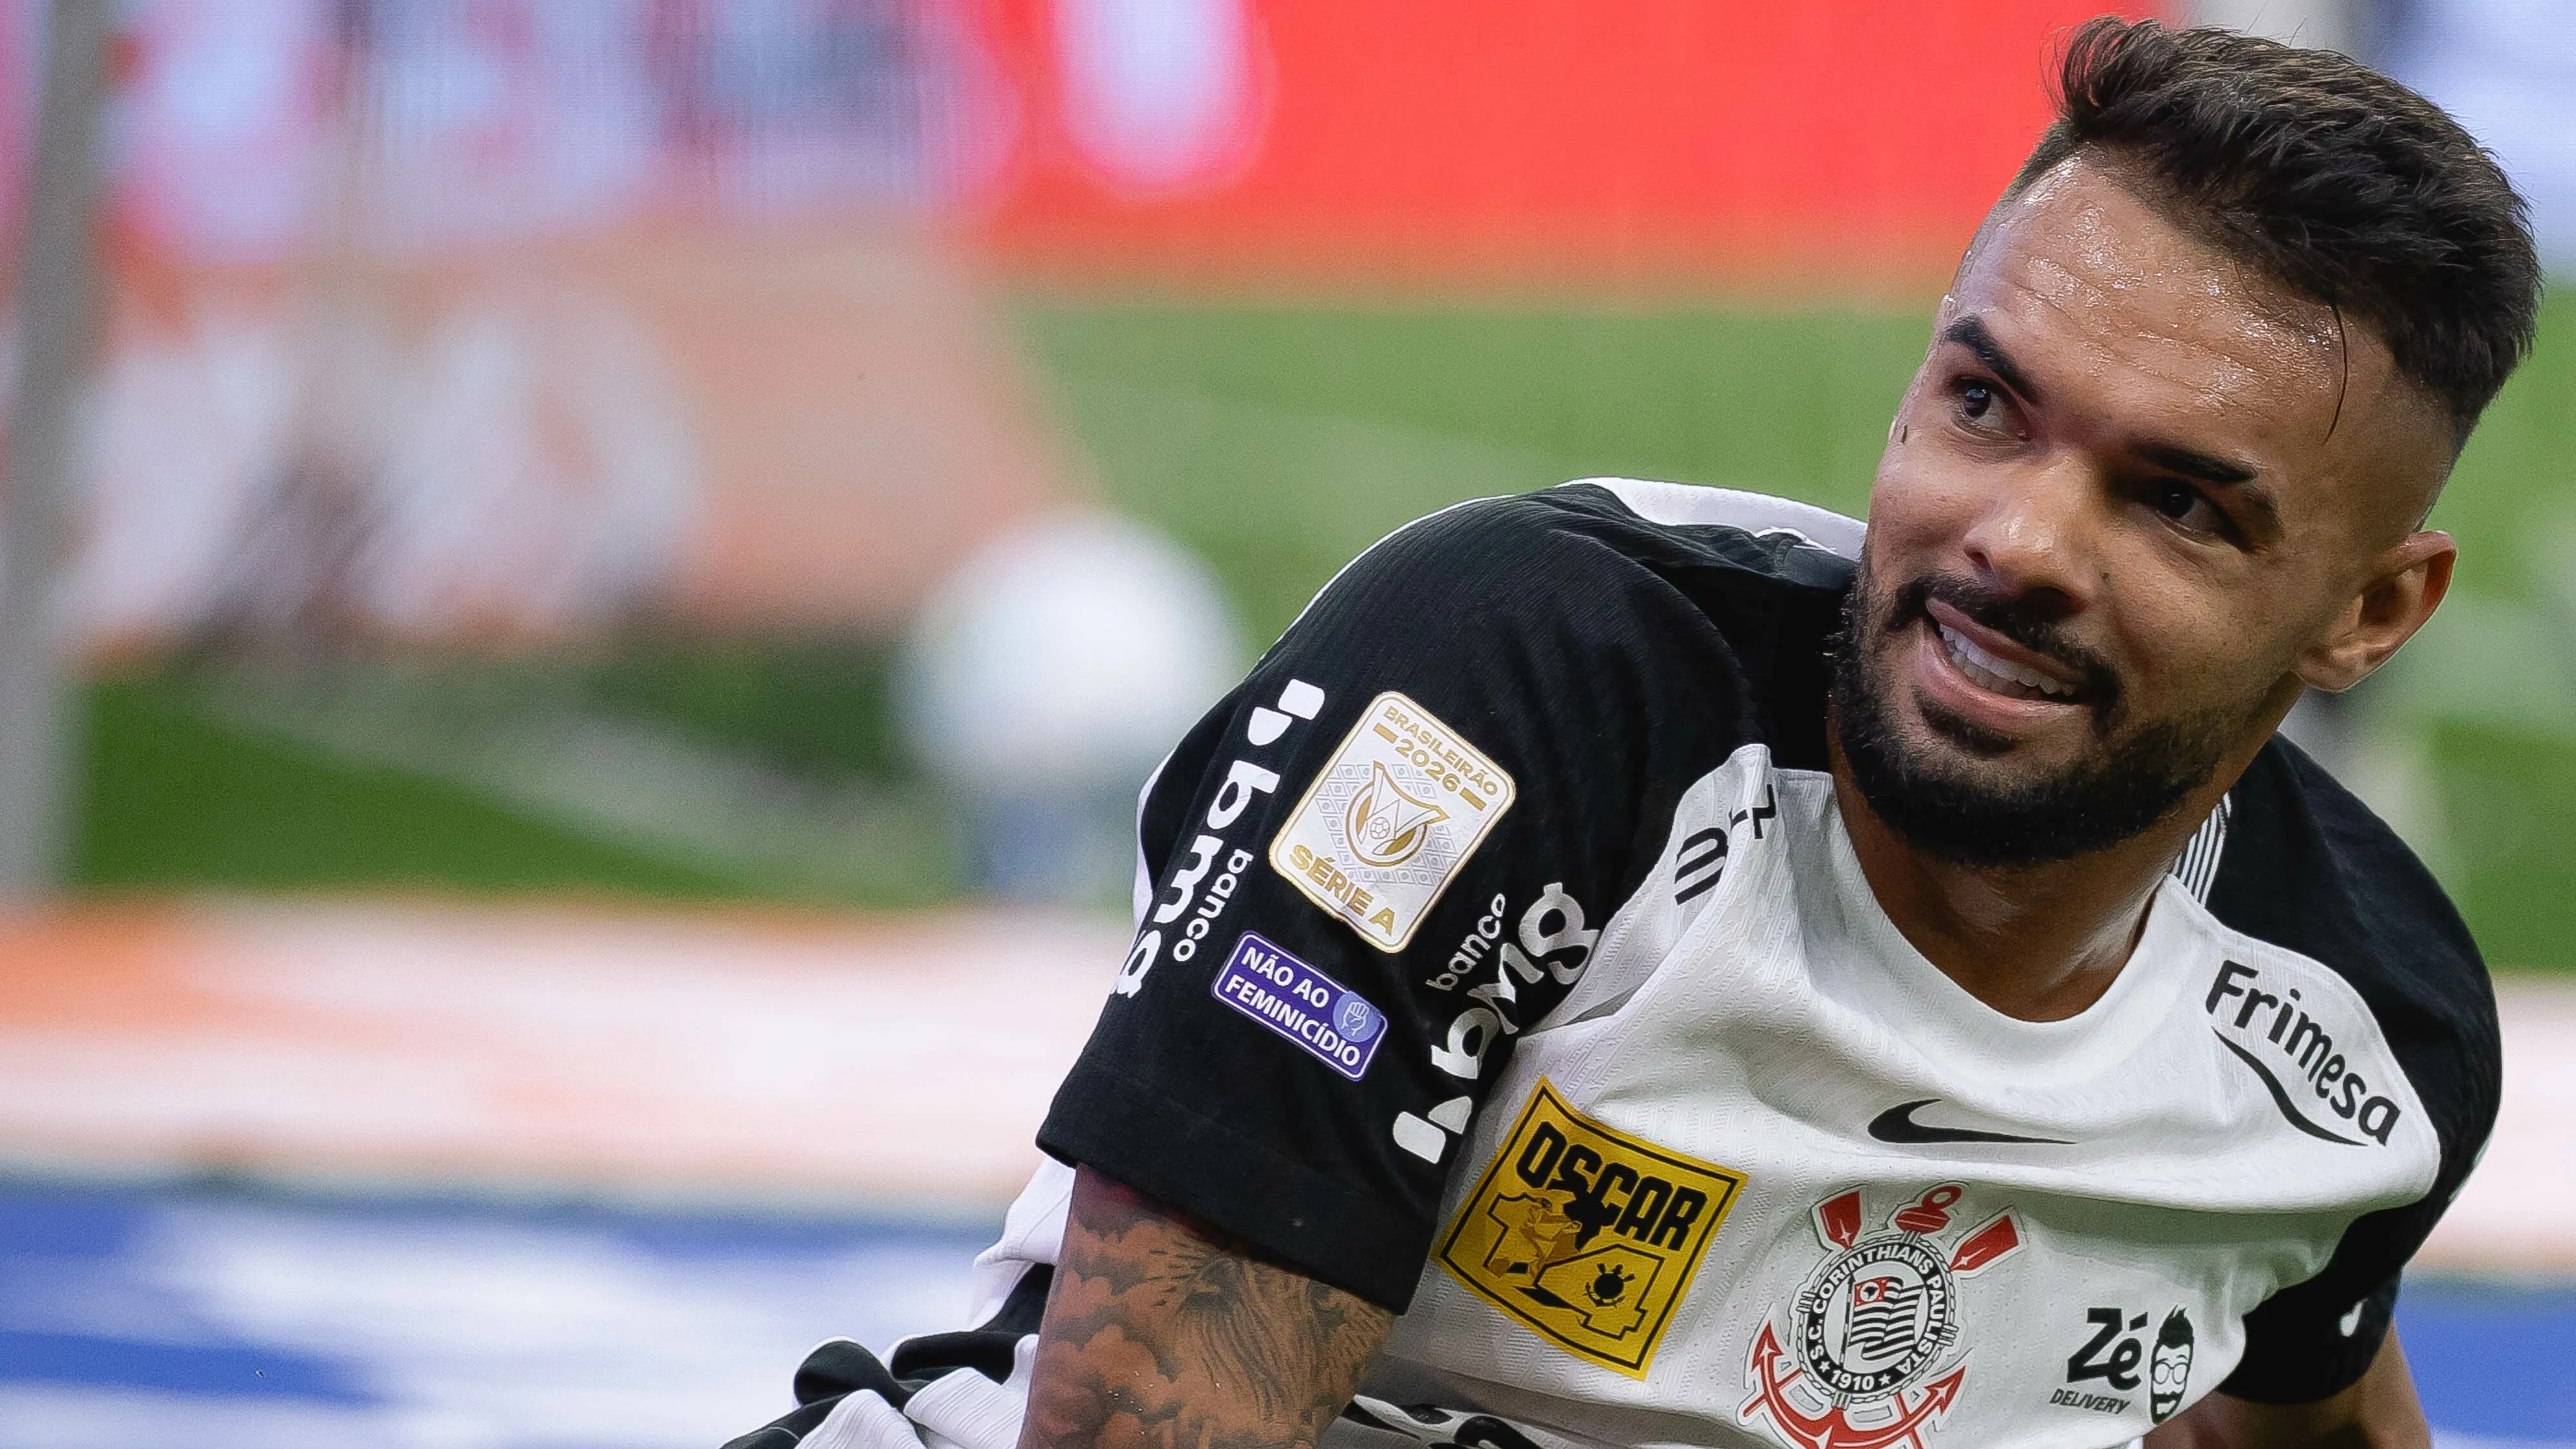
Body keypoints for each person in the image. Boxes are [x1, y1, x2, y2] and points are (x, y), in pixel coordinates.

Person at [726, 18, 2534, 1449]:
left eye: (2177, 506)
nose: (2017, 542)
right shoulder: (1514, 699)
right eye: (1986, 403)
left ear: (2371, 613)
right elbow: (1138, 1424)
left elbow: (2306, 1401)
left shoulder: (2364, 1037)